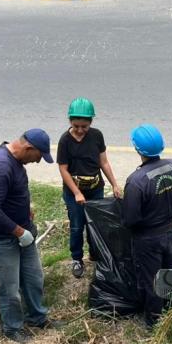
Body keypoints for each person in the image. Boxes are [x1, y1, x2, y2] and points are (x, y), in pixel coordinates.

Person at [0, 130, 59, 344]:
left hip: (23, 233)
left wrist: (25, 209)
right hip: (2, 239)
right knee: (10, 288)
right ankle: (12, 328)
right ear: (28, 148)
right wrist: (18, 231)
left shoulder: (14, 161)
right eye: (38, 157)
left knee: (34, 278)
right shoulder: (1, 166)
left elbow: (11, 193)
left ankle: (37, 318)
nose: (37, 161)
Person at [121, 125, 172, 326]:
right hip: (170, 230)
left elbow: (130, 219)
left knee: (151, 279)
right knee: (171, 271)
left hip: (147, 239)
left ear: (137, 149)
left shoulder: (136, 181)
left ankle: (154, 321)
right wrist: (168, 213)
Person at [57, 98, 121, 279]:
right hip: (74, 192)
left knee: (96, 224)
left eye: (84, 126)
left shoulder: (97, 136)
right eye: (76, 126)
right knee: (77, 226)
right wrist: (77, 193)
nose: (80, 130)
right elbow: (63, 169)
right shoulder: (65, 141)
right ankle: (77, 258)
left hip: (95, 188)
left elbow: (104, 162)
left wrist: (114, 184)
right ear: (70, 122)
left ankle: (95, 253)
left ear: (91, 122)